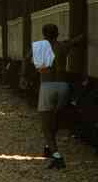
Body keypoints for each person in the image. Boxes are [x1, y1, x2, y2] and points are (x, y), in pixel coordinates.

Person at [23, 23, 84, 170]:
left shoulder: (38, 46)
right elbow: (78, 40)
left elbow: (26, 59)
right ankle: (47, 146)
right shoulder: (63, 46)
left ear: (44, 34)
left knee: (46, 125)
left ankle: (57, 156)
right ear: (57, 34)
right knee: (56, 120)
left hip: (47, 86)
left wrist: (24, 76)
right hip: (63, 86)